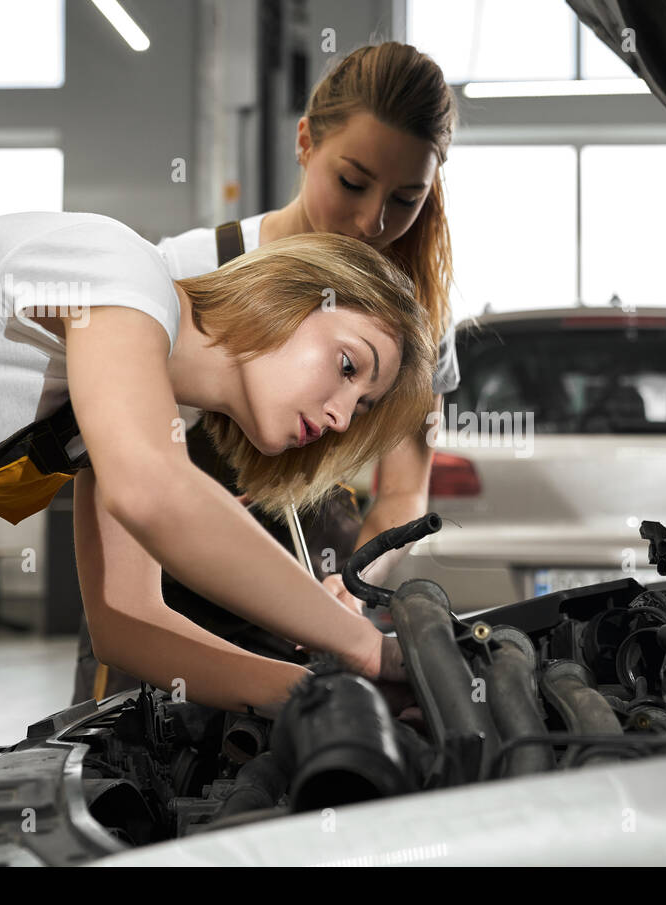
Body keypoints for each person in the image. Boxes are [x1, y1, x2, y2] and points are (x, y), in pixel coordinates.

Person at [0, 210, 435, 717]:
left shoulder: (150, 402)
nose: (340, 417)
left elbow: (127, 622)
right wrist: (366, 647)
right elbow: (153, 492)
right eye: (349, 367)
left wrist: (322, 696)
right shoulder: (116, 268)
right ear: (290, 292)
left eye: (361, 408)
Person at [73, 40, 462, 700]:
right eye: (353, 182)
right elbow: (131, 517)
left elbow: (402, 492)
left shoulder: (414, 324)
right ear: (306, 142)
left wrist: (354, 581)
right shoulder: (182, 271)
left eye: (406, 198)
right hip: (165, 591)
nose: (374, 221)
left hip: (321, 589)